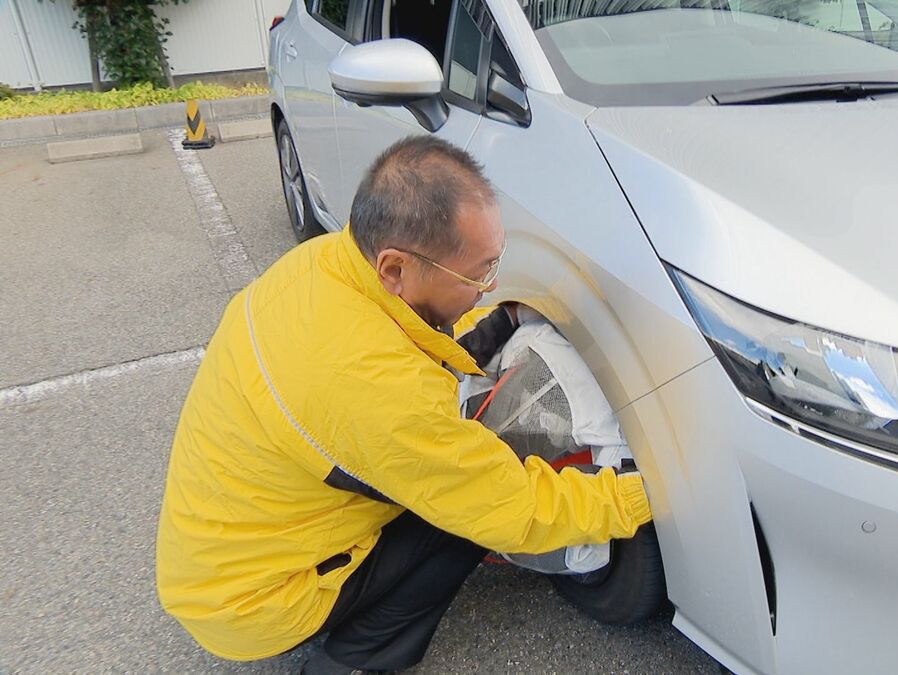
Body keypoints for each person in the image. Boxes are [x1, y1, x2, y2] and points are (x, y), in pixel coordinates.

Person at [155, 136, 652, 674]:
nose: (488, 288)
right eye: (478, 274)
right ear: (394, 268)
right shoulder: (372, 388)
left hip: (215, 557)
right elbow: (509, 508)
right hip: (257, 601)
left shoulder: (324, 265)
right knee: (463, 510)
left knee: (448, 471)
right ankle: (355, 660)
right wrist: (642, 497)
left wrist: (501, 322)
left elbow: (413, 347)